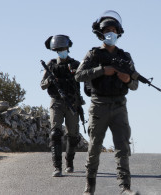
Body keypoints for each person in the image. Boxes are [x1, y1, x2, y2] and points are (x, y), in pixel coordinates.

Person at [75, 10, 140, 195]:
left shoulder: (125, 57)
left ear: (118, 32)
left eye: (113, 29)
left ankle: (125, 188)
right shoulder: (93, 54)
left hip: (119, 106)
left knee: (122, 148)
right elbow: (79, 75)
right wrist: (103, 70)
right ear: (101, 33)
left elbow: (134, 85)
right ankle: (89, 187)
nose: (110, 33)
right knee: (94, 147)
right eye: (107, 30)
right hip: (99, 106)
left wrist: (126, 79)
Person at [41, 35, 84, 177]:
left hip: (72, 102)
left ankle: (69, 162)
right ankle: (57, 166)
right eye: (59, 49)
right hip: (57, 102)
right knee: (55, 133)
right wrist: (50, 79)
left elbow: (85, 78)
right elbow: (42, 85)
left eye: (64, 49)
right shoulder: (51, 64)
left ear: (68, 48)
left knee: (73, 135)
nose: (62, 51)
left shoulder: (76, 64)